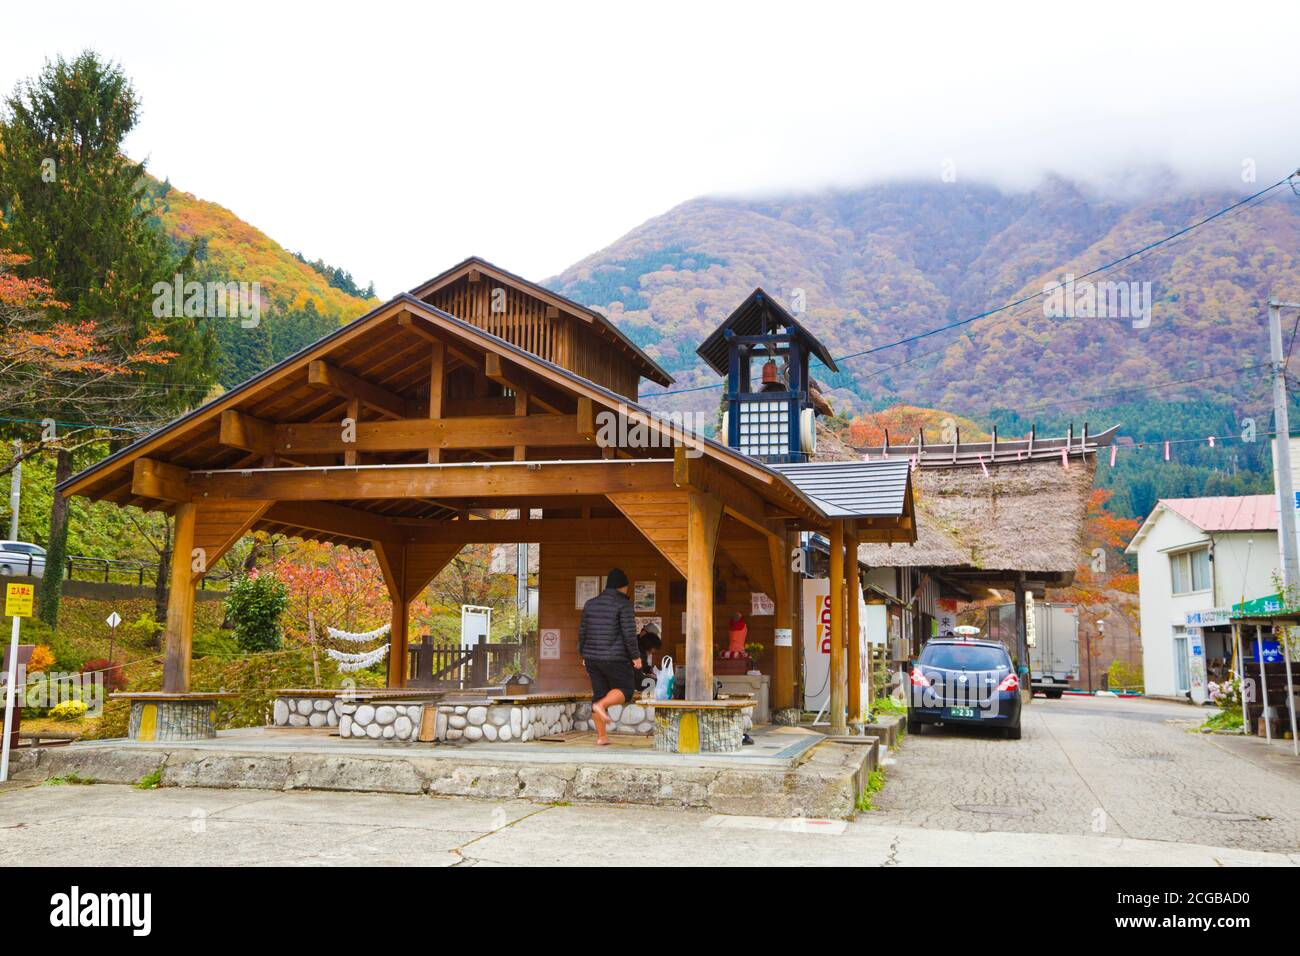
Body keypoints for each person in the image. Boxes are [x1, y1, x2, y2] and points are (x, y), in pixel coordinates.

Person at [578, 568, 642, 745]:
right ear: (623, 587)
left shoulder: (590, 604)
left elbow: (582, 631)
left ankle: (602, 737)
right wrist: (636, 656)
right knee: (626, 689)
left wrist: (583, 653)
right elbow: (629, 633)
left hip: (592, 657)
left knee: (599, 693)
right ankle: (601, 706)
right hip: (615, 657)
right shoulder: (623, 604)